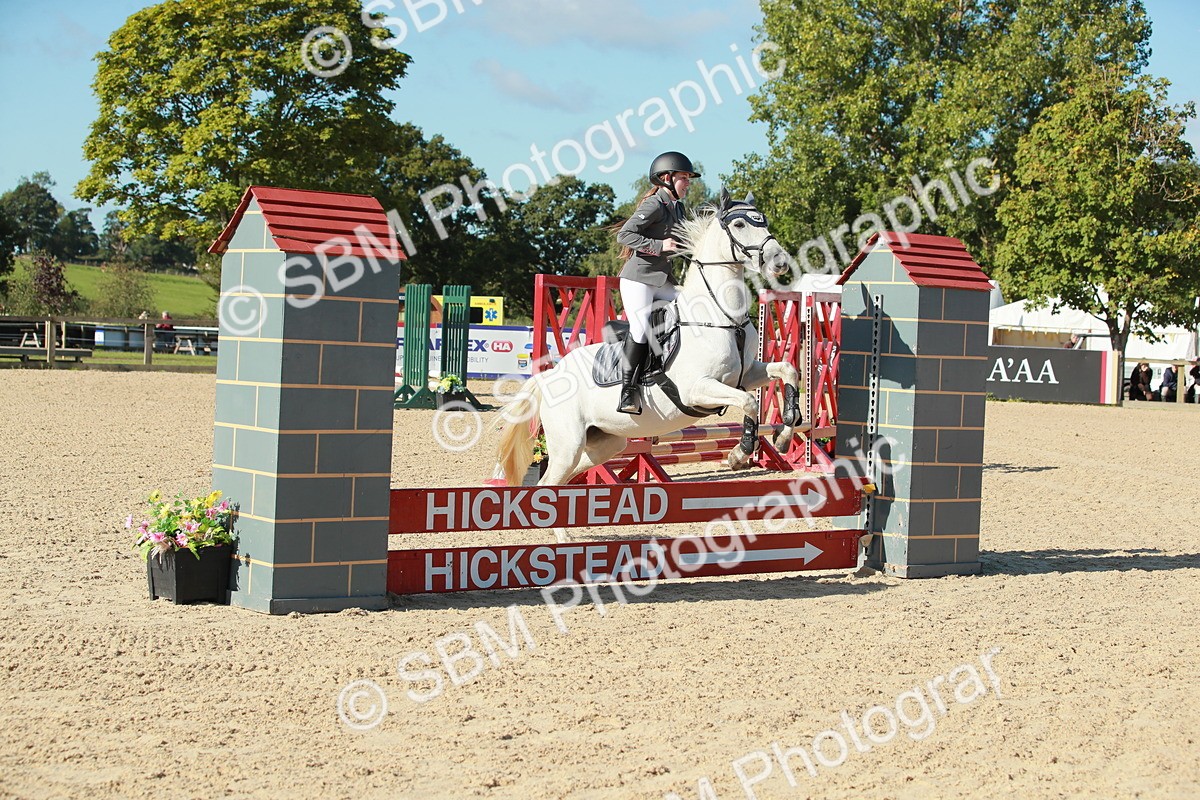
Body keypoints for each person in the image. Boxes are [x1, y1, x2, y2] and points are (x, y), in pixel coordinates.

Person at [613, 151, 701, 414]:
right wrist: (659, 245)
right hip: (638, 279)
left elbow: (683, 241)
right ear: (667, 178)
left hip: (662, 279)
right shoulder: (654, 205)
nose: (687, 183)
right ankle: (628, 390)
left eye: (688, 178)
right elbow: (624, 235)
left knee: (692, 307)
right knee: (639, 328)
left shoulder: (678, 208)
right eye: (684, 177)